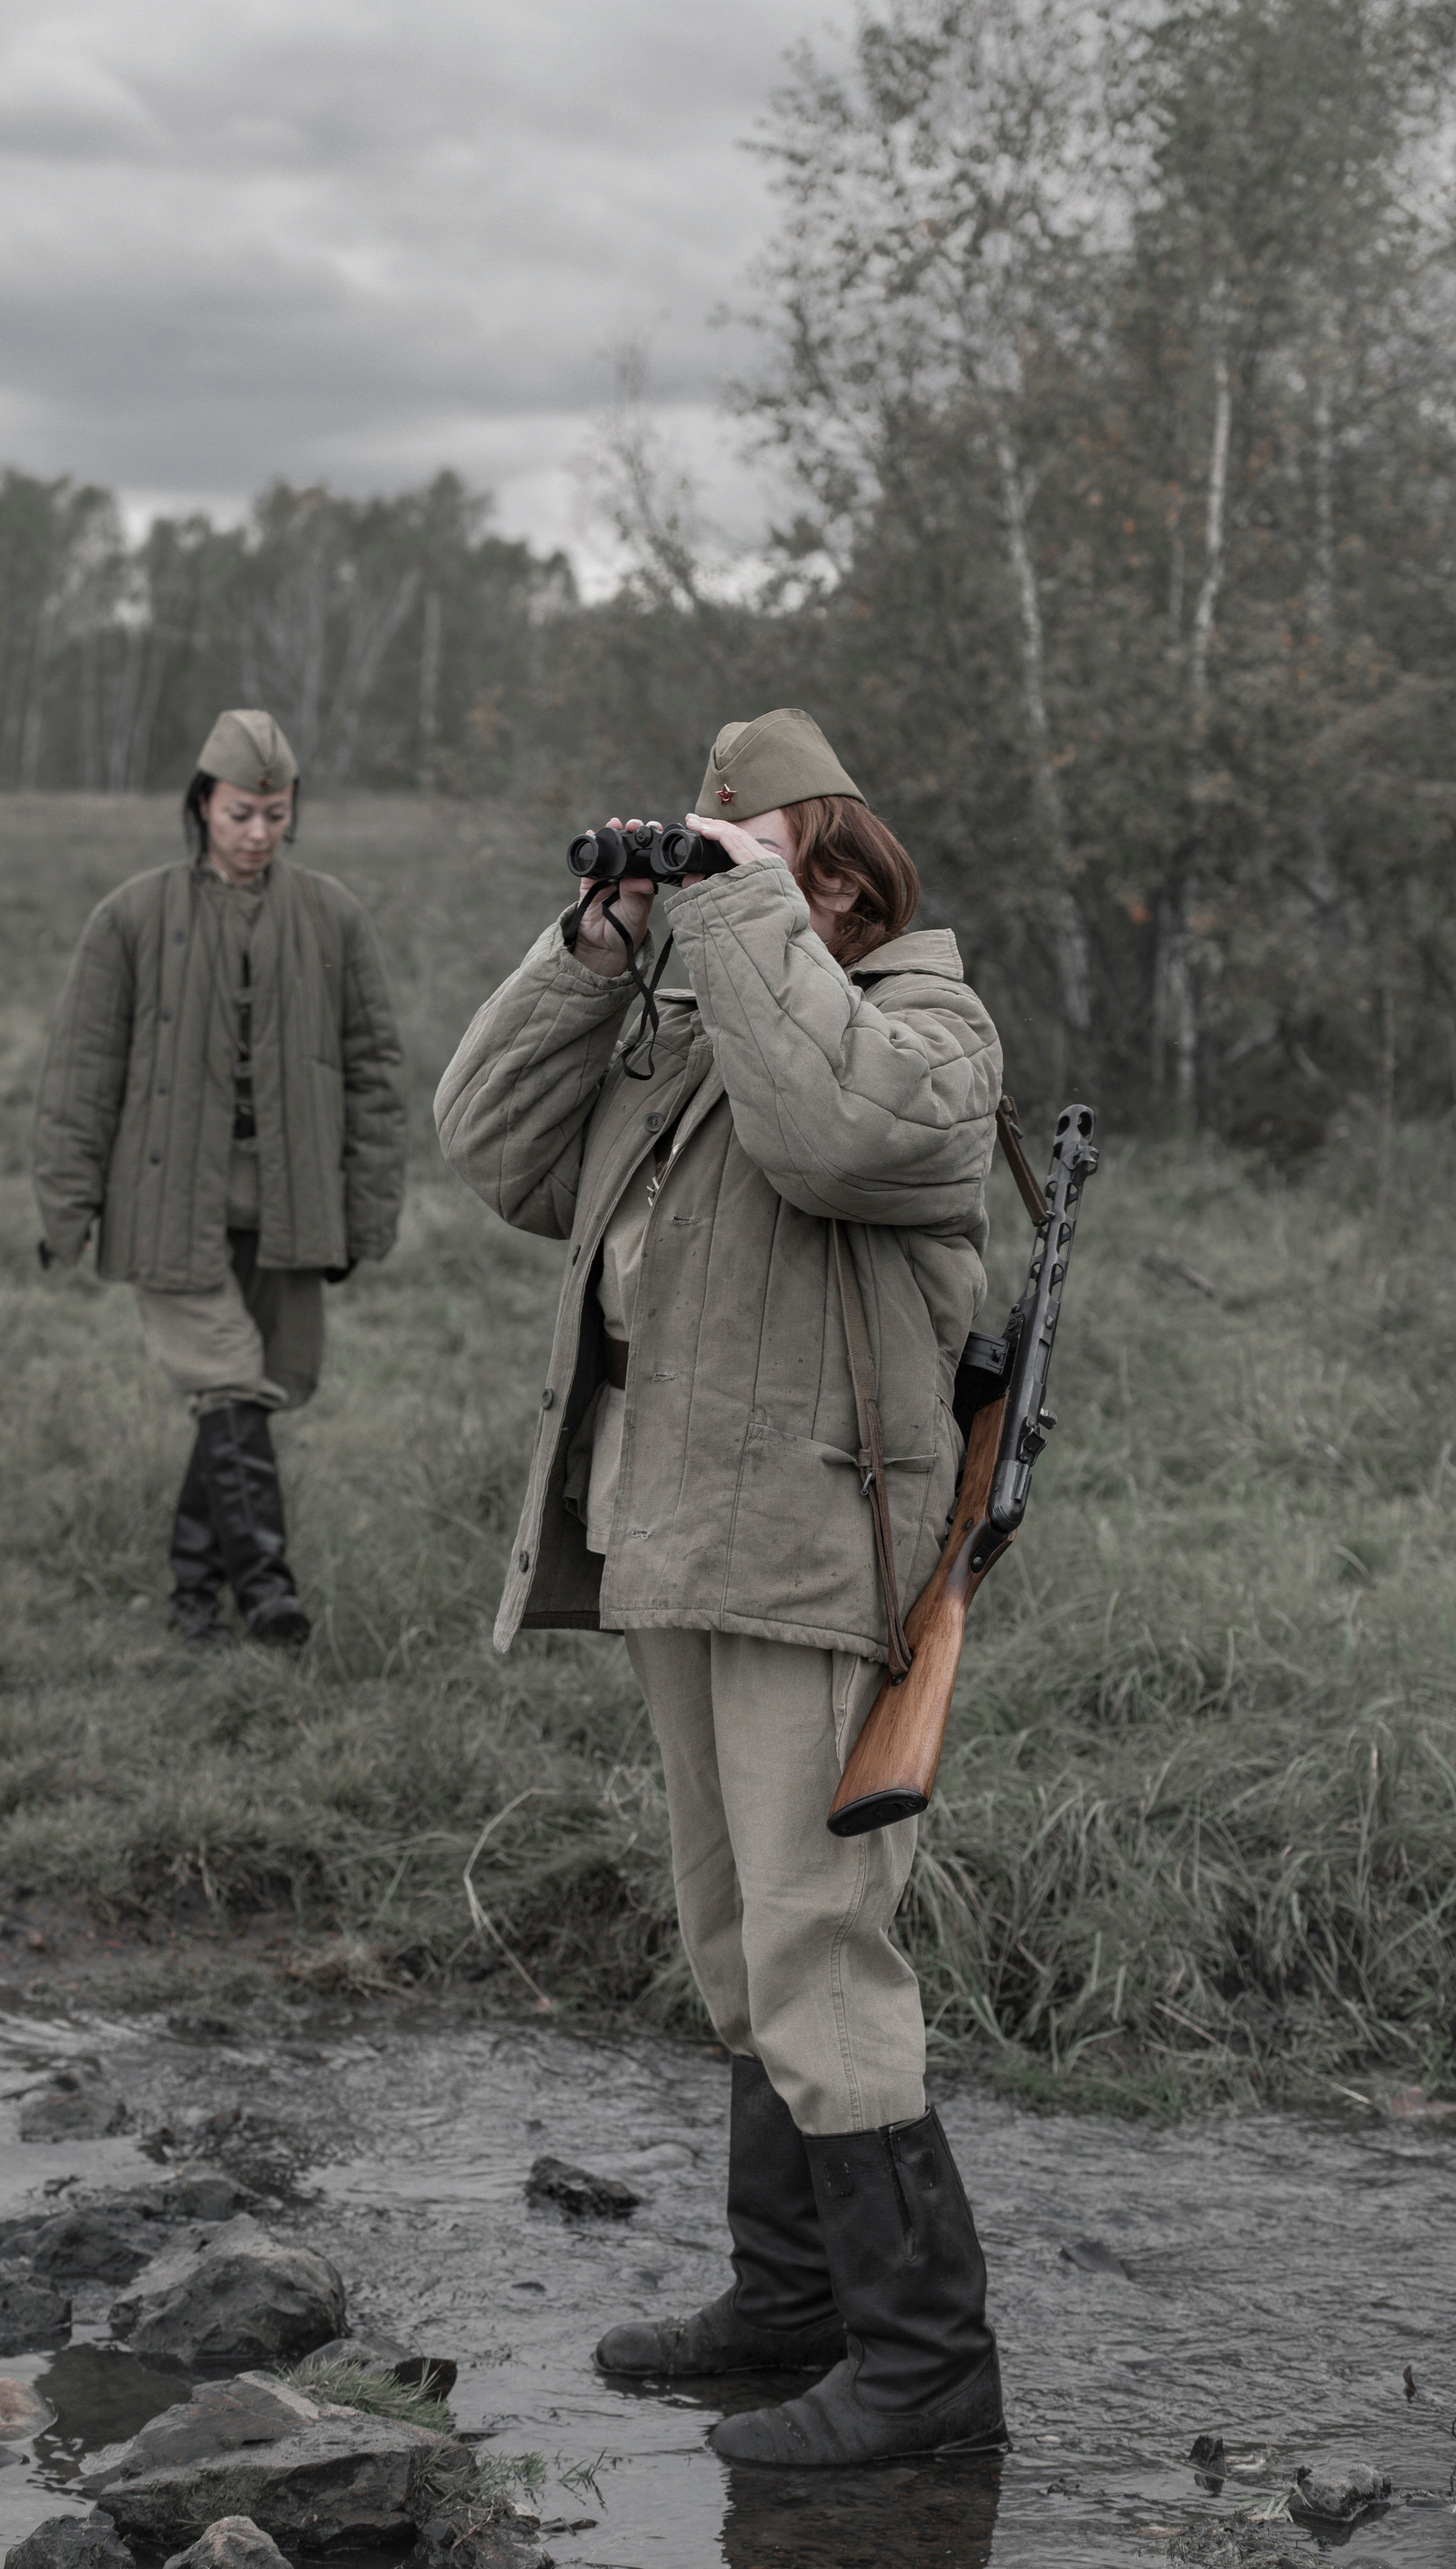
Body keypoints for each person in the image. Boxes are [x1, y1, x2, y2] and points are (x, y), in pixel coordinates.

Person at [435, 709, 1006, 2468]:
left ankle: (926, 2372)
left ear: (865, 876)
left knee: (822, 1945)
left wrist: (742, 913)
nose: (796, 896)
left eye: (820, 868)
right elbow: (488, 1144)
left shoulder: (930, 1029)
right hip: (678, 1539)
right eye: (765, 865)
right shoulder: (695, 1034)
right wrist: (600, 944)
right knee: (735, 1941)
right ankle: (792, 2302)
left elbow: (841, 1139)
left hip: (824, 1554)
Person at [34, 708, 405, 1647]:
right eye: (241, 813)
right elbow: (82, 1070)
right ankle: (269, 1590)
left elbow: (374, 1073)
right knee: (228, 1384)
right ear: (202, 803)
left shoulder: (333, 916)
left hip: (289, 1206)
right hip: (167, 1206)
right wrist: (67, 1204)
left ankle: (193, 1600)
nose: (258, 834)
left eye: (275, 815)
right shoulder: (130, 916)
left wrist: (368, 1213)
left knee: (249, 1393)